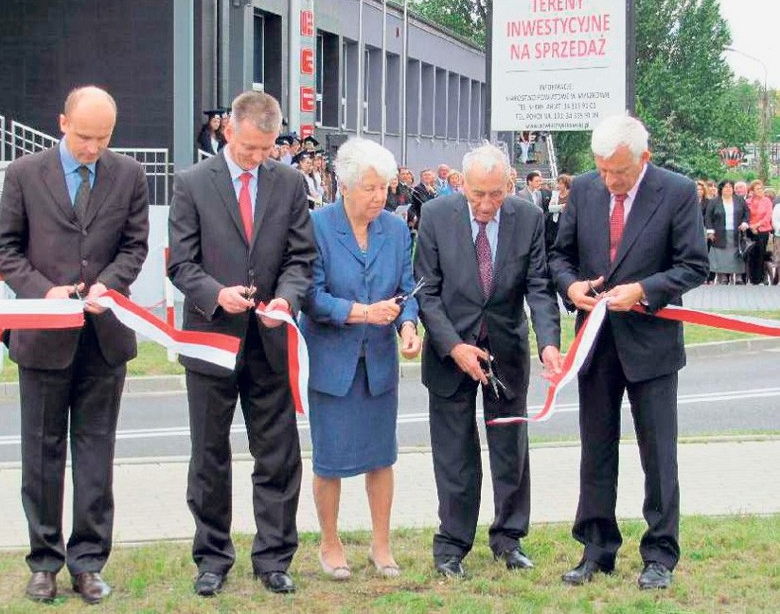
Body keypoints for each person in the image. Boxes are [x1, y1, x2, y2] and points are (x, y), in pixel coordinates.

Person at [0, 86, 150, 605]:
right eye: (83, 137)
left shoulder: (129, 174)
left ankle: (88, 563)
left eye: (102, 138)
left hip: (103, 339)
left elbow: (135, 246)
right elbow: (4, 249)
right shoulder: (23, 173)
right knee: (41, 455)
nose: (92, 148)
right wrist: (44, 293)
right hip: (41, 338)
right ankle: (43, 562)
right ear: (62, 123)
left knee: (95, 455)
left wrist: (110, 283)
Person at [549, 114, 708, 590]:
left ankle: (660, 554)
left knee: (658, 454)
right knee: (595, 451)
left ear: (645, 158)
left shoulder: (677, 192)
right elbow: (560, 256)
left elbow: (693, 265)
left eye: (618, 172)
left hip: (652, 346)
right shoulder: (584, 189)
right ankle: (596, 549)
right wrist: (571, 286)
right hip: (595, 345)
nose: (609, 181)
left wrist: (643, 289)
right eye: (601, 170)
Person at [167, 90, 316, 597]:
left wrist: (287, 300)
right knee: (209, 455)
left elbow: (301, 258)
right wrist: (216, 293)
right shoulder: (191, 184)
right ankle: (212, 557)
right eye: (250, 147)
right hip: (210, 338)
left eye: (267, 149)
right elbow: (180, 263)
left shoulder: (291, 183)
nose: (257, 158)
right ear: (229, 130)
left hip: (269, 340)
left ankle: (274, 558)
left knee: (277, 453)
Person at [414, 143, 562, 579]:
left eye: (495, 194)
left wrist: (548, 342)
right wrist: (453, 346)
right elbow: (426, 290)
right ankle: (452, 543)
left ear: (509, 185)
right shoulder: (438, 216)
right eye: (477, 193)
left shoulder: (529, 218)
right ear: (461, 185)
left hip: (506, 350)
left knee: (509, 448)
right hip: (451, 353)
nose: (485, 204)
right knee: (454, 451)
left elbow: (539, 285)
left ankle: (509, 538)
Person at [300, 137, 422, 581]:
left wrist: (408, 327)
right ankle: (330, 544)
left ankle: (381, 544)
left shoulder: (395, 228)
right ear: (345, 186)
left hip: (379, 367)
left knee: (380, 457)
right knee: (329, 459)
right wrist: (361, 313)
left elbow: (406, 290)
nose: (379, 197)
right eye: (369, 188)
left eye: (384, 188)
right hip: (332, 363)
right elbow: (310, 296)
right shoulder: (316, 226)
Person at [704, 179, 749, 285]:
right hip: (719, 233)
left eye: (730, 187)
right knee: (721, 254)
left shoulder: (740, 200)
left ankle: (738, 277)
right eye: (726, 187)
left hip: (736, 232)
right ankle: (723, 277)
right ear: (721, 189)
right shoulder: (714, 201)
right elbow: (708, 217)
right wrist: (710, 231)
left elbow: (747, 213)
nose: (728, 189)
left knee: (737, 254)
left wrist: (745, 223)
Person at [745, 180, 772, 285]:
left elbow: (768, 216)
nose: (760, 191)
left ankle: (759, 279)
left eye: (761, 188)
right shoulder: (748, 202)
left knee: (760, 254)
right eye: (757, 189)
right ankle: (751, 278)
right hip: (750, 230)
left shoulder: (767, 201)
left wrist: (757, 225)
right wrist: (751, 226)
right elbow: (746, 216)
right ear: (752, 190)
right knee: (751, 254)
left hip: (762, 231)